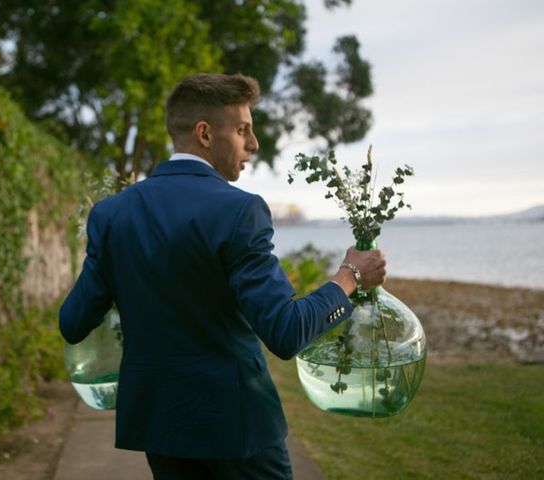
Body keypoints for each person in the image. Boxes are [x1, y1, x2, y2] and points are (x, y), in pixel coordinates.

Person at [59, 73, 386, 479]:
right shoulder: (239, 212)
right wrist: (350, 275)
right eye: (243, 130)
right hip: (238, 434)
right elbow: (285, 332)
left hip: (159, 429)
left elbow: (73, 324)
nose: (254, 144)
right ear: (205, 133)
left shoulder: (110, 214)